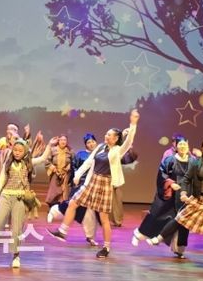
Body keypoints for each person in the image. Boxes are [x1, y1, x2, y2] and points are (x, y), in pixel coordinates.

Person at [47, 109, 140, 258]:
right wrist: (78, 175)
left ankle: (106, 248)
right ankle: (62, 231)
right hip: (92, 181)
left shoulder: (118, 151)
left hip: (105, 184)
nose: (106, 136)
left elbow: (128, 142)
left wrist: (133, 124)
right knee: (73, 203)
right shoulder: (101, 147)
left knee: (103, 218)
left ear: (116, 138)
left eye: (109, 135)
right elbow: (90, 161)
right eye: (106, 134)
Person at [148, 134, 203, 273]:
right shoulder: (196, 163)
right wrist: (183, 193)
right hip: (200, 200)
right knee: (180, 218)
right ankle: (159, 238)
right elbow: (186, 179)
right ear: (202, 148)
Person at [0, 137, 56, 268]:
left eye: (20, 150)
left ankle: (16, 256)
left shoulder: (28, 163)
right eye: (15, 150)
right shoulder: (8, 163)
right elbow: (2, 179)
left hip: (20, 198)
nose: (17, 153)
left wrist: (49, 145)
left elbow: (43, 158)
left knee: (17, 228)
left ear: (24, 151)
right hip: (6, 196)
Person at [132, 137, 193, 257]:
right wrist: (170, 183)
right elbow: (162, 175)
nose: (182, 147)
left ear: (188, 146)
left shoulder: (193, 161)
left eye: (184, 144)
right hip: (169, 196)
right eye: (180, 144)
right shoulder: (170, 160)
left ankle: (178, 249)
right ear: (176, 146)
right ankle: (139, 235)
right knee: (157, 216)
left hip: (184, 196)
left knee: (182, 223)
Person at [47, 132, 100, 246]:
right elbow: (75, 167)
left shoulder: (100, 154)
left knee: (89, 212)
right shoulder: (81, 154)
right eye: (88, 142)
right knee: (72, 205)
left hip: (94, 186)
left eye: (92, 142)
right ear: (85, 144)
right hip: (81, 185)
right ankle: (55, 212)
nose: (91, 144)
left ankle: (90, 236)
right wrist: (76, 178)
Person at [44, 134, 73, 206]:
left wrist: (70, 166)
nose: (63, 141)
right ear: (58, 141)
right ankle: (52, 207)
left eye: (65, 140)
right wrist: (53, 168)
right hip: (55, 174)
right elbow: (47, 161)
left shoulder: (70, 151)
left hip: (65, 175)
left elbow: (74, 161)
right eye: (61, 140)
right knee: (54, 192)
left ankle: (61, 207)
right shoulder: (53, 149)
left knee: (64, 193)